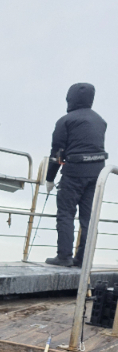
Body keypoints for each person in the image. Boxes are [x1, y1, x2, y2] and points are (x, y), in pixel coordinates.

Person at [45, 83, 107, 268]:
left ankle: (64, 256)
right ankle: (83, 259)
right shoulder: (100, 121)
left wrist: (49, 178)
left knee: (66, 214)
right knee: (89, 219)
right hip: (98, 175)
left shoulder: (65, 121)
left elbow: (57, 153)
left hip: (73, 173)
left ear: (70, 98)